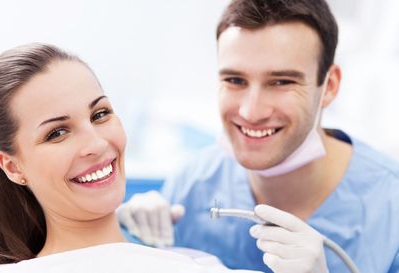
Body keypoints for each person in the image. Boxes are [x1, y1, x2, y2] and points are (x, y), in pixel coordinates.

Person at [117, 0, 399, 273]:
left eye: (281, 82)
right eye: (235, 80)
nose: (251, 112)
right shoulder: (191, 185)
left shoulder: (389, 205)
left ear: (329, 86)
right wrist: (133, 244)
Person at [0, 43, 260, 273]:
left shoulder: (200, 265)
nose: (96, 144)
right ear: (13, 167)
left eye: (100, 114)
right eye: (57, 133)